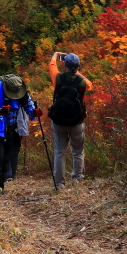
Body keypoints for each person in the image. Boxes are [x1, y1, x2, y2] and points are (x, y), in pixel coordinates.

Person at [0, 74, 41, 190]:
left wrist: (34, 112)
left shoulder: (20, 89)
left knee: (6, 158)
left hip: (10, 128)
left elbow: (28, 103)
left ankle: (0, 186)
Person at [49, 51, 93, 188]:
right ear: (78, 66)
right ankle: (77, 179)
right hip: (76, 120)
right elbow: (90, 84)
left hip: (59, 120)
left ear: (65, 65)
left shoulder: (58, 78)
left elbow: (51, 65)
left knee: (59, 151)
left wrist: (56, 54)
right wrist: (77, 72)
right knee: (78, 150)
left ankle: (59, 183)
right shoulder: (83, 82)